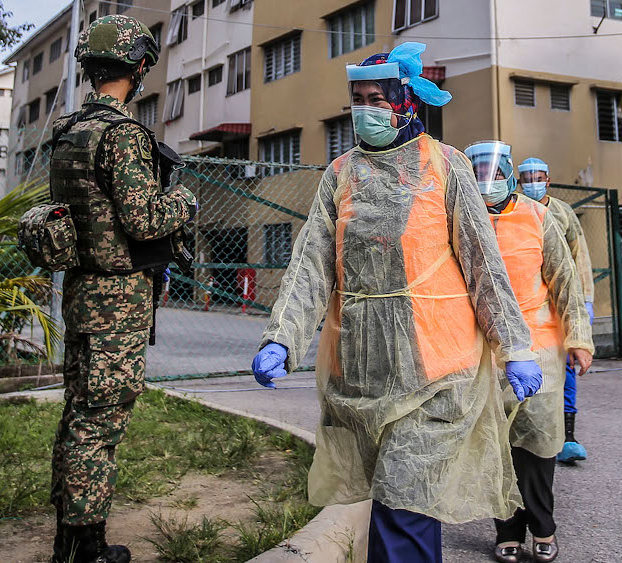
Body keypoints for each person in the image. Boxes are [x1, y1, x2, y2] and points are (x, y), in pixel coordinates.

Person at [250, 42, 541, 563]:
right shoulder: (340, 174)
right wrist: (282, 338)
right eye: (357, 98)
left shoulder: (444, 165)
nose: (365, 109)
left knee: (403, 504)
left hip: (435, 373)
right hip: (360, 374)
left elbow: (483, 264)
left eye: (376, 99)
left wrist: (513, 344)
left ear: (404, 101)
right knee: (393, 501)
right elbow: (312, 264)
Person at [49, 15, 197, 563]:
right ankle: (86, 548)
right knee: (100, 421)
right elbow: (144, 220)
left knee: (78, 414)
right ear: (138, 68)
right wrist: (184, 202)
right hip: (117, 300)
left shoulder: (69, 131)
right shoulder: (122, 134)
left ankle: (68, 538)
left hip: (82, 289)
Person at [466, 142, 594, 563]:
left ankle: (543, 526)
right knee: (497, 445)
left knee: (538, 441)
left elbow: (565, 281)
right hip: (484, 348)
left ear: (507, 170)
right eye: (478, 170)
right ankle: (506, 529)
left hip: (538, 343)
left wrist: (578, 337)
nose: (487, 179)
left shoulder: (538, 217)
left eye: (493, 169)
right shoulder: (463, 220)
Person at [518, 157, 594, 464]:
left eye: (538, 176)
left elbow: (579, 257)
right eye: (526, 177)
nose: (532, 182)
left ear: (548, 179)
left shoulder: (562, 213)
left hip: (558, 306)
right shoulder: (516, 210)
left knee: (564, 371)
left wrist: (583, 302)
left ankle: (567, 435)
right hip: (527, 308)